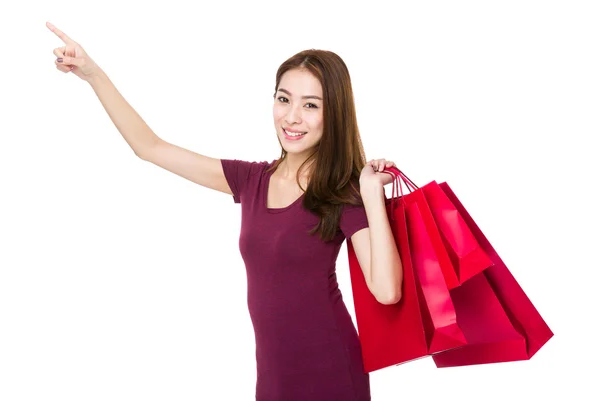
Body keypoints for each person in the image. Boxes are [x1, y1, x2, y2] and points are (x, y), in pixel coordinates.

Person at [47, 21, 403, 401]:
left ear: (334, 115)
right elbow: (149, 147)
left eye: (310, 105)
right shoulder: (250, 180)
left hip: (331, 371)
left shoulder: (339, 192)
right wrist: (92, 74)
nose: (292, 117)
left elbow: (386, 290)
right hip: (274, 375)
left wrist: (368, 194)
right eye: (284, 99)